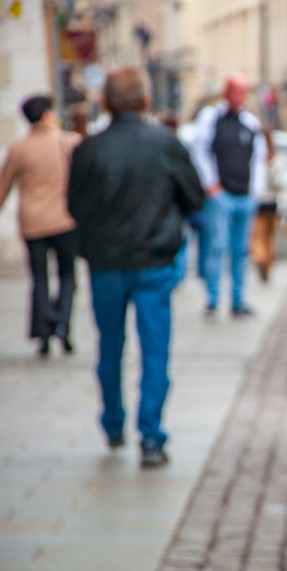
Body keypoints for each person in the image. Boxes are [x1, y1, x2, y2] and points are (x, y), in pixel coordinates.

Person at [67, 67, 204, 467]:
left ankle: (113, 423)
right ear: (145, 101)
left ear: (105, 102)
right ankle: (151, 436)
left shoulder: (88, 149)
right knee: (155, 351)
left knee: (109, 346)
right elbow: (195, 199)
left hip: (106, 263)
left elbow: (75, 207)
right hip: (153, 260)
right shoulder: (165, 144)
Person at [0, 95, 81, 356]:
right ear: (48, 114)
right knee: (68, 275)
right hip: (65, 218)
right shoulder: (69, 141)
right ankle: (63, 323)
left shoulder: (19, 148)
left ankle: (43, 332)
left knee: (39, 277)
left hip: (32, 220)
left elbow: (4, 187)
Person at [190, 73, 267, 316]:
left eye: (243, 92)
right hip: (221, 195)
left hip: (244, 195)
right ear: (227, 92)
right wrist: (211, 184)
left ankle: (238, 299)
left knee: (241, 251)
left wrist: (256, 190)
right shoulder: (212, 118)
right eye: (236, 91)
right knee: (217, 247)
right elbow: (199, 149)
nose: (240, 97)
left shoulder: (250, 123)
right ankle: (212, 299)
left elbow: (259, 159)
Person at [251, 129, 287, 282]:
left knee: (259, 236)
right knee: (268, 236)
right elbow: (284, 182)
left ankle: (261, 260)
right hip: (271, 201)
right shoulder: (277, 158)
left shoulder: (258, 158)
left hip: (261, 201)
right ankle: (266, 264)